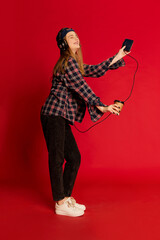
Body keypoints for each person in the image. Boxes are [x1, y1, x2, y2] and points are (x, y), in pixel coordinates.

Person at [40, 27, 130, 217]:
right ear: (63, 43)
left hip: (61, 116)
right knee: (56, 158)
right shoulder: (66, 63)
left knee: (74, 157)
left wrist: (118, 55)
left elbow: (95, 70)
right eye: (71, 37)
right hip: (53, 114)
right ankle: (60, 202)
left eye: (77, 36)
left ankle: (65, 197)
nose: (76, 38)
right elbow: (82, 87)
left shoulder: (74, 63)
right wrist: (102, 106)